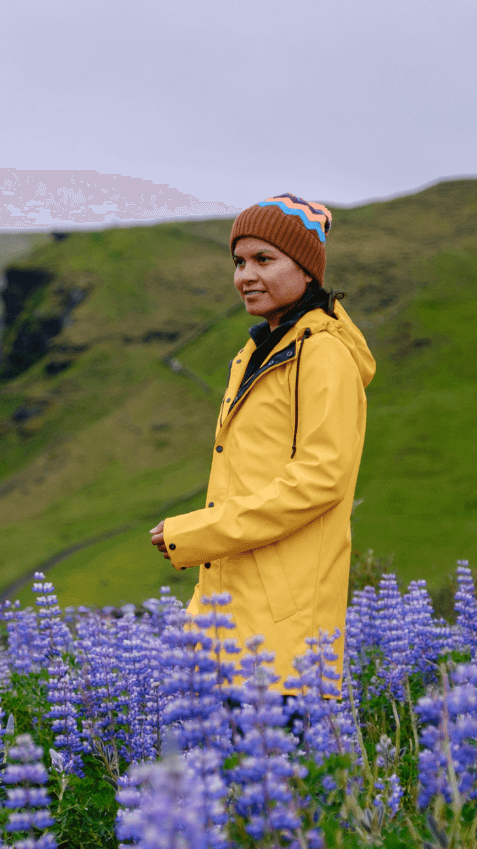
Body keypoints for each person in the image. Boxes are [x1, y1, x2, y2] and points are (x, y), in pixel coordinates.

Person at [148, 193, 376, 691]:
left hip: (286, 643)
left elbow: (319, 482)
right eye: (238, 261)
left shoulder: (324, 357)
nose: (245, 275)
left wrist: (199, 532)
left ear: (307, 270)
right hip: (225, 623)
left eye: (264, 259)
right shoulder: (254, 353)